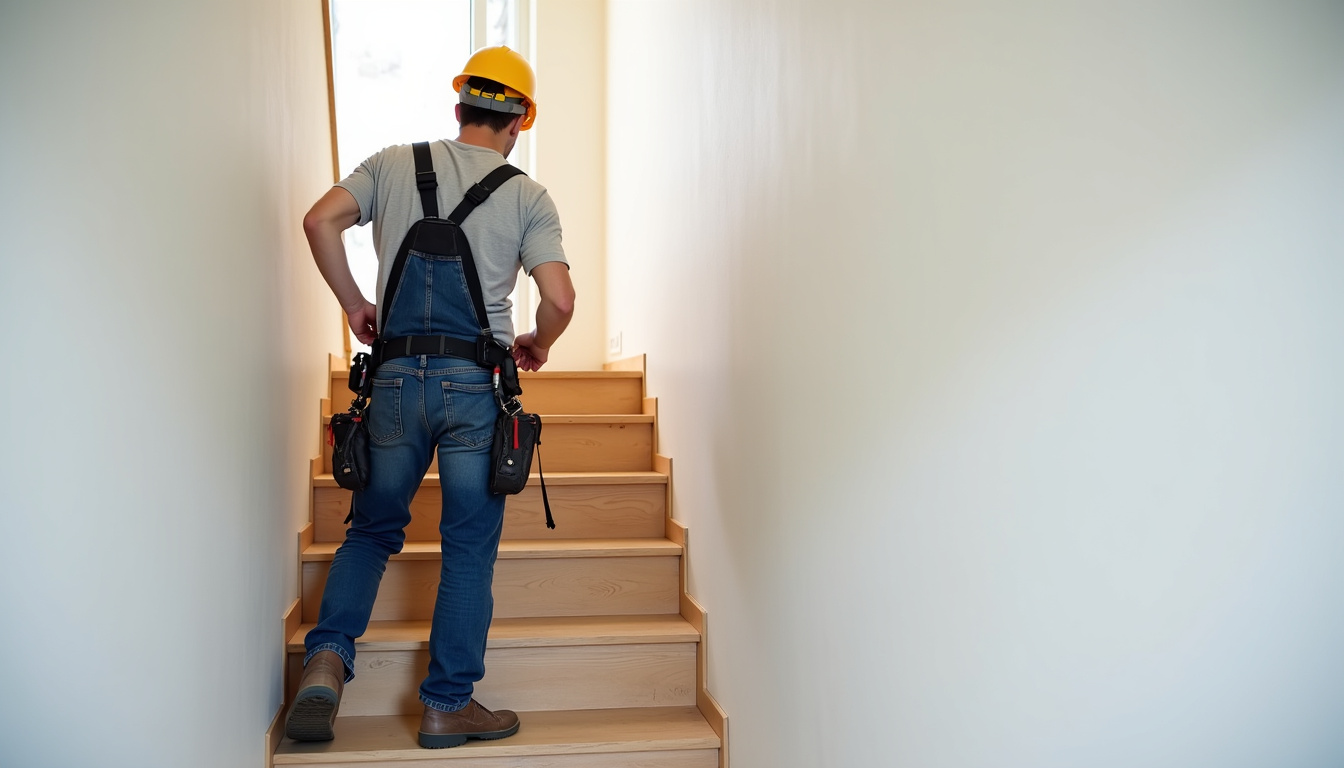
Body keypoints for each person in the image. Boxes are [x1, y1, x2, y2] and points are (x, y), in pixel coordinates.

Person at [284, 46, 575, 749]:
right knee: (468, 547)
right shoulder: (527, 194)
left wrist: (356, 304)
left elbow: (319, 221)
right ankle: (447, 703)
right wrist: (540, 342)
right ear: (520, 121)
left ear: (458, 110)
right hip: (477, 388)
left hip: (390, 382)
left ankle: (326, 661)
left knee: (373, 530)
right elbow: (560, 299)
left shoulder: (391, 163)